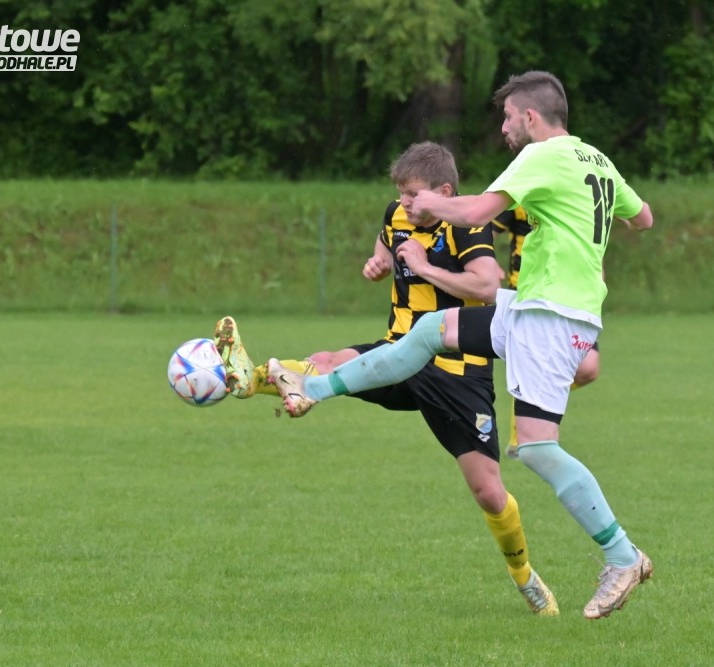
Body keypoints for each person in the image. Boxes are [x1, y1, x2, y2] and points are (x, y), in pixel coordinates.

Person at [266, 71, 655, 619]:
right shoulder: (598, 161)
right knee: (431, 331)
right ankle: (313, 389)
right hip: (536, 305)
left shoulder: (542, 156)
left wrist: (431, 205)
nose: (504, 127)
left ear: (531, 116)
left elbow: (474, 213)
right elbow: (643, 218)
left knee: (538, 449)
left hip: (551, 315)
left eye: (508, 117)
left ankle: (622, 556)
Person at [215, 141, 559, 616]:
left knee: (488, 491)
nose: (404, 203)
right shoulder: (397, 214)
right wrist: (378, 263)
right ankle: (250, 379)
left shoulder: (468, 225)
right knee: (327, 359)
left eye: (413, 195)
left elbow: (486, 285)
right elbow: (386, 246)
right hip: (398, 352)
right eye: (400, 194)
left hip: (456, 370)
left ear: (444, 192)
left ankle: (525, 578)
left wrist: (422, 266)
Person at [491, 207, 600, 455]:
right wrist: (488, 263)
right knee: (534, 367)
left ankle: (539, 402)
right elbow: (484, 232)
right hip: (530, 296)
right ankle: (523, 439)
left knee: (589, 368)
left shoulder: (582, 199)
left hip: (575, 297)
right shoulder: (521, 198)